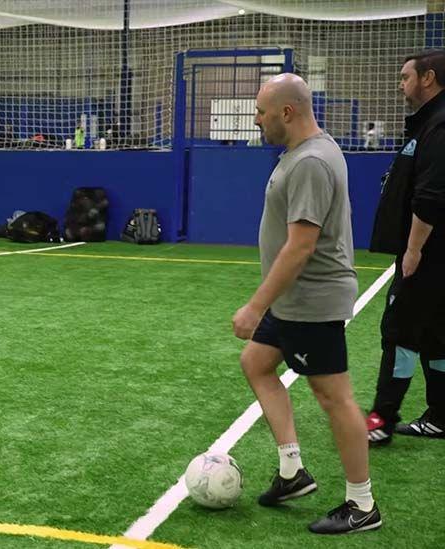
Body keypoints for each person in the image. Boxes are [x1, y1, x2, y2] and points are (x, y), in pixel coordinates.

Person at [232, 73, 380, 534]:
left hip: (311, 300)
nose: (258, 121)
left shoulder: (310, 163)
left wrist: (256, 306)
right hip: (293, 301)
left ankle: (362, 504)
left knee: (334, 398)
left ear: (287, 112)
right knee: (256, 363)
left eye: (261, 112)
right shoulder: (307, 152)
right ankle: (292, 472)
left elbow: (300, 246)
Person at [366, 49, 445, 445]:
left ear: (427, 78)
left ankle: (381, 421)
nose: (401, 85)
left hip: (429, 254)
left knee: (398, 331)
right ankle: (442, 416)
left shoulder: (439, 126)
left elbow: (430, 197)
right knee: (436, 334)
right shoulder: (427, 123)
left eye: (405, 77)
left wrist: (413, 251)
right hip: (432, 255)